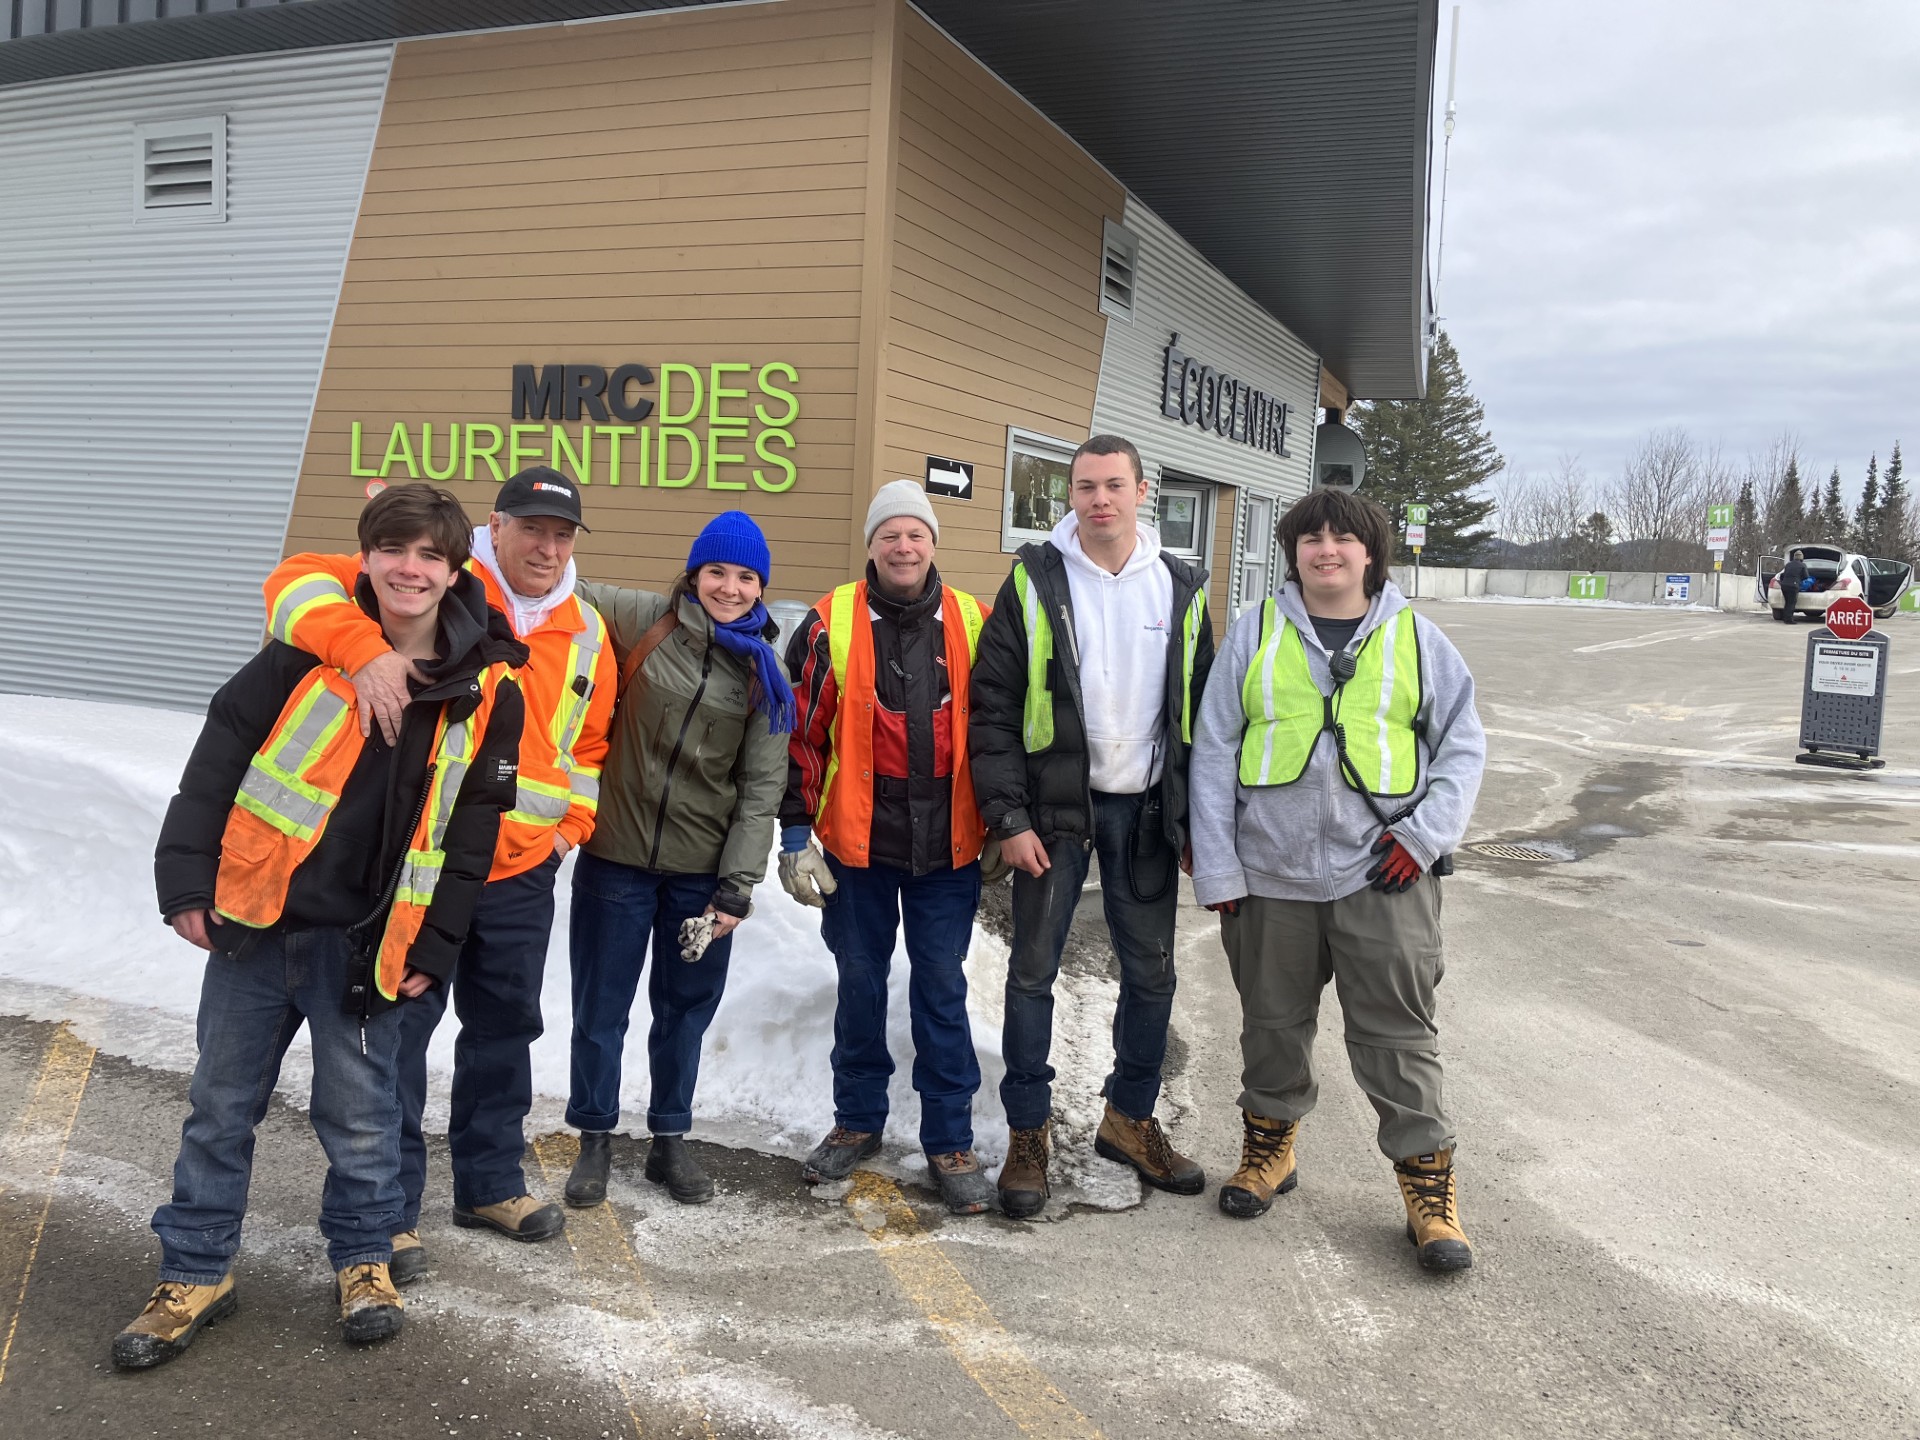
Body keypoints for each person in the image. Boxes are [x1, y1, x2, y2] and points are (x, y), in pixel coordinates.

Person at [125, 484, 526, 1369]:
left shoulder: (491, 687)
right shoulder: (307, 646)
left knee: (362, 1120)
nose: (409, 568)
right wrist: (186, 878)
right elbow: (221, 754)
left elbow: (473, 832)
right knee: (219, 1111)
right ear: (367, 558)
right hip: (259, 928)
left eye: (429, 555)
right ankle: (194, 1271)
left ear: (456, 569)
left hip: (368, 946)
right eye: (394, 549)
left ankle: (364, 1260)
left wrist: (438, 946)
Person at [262, 466, 615, 1268]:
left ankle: (490, 1182)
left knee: (504, 1031)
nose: (547, 547)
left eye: (561, 536)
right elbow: (292, 583)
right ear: (496, 526)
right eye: (532, 529)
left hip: (522, 873)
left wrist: (571, 830)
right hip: (421, 860)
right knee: (395, 1034)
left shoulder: (588, 631)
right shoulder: (439, 581)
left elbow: (587, 750)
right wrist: (360, 648)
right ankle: (386, 1209)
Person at [1187, 487, 1485, 1272]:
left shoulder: (1418, 640)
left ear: (1369, 554)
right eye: (1311, 538)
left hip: (1383, 877)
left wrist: (1423, 838)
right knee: (1271, 1027)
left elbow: (1462, 747)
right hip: (1270, 878)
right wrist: (1218, 862)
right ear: (1293, 553)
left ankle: (1429, 1193)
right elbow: (1214, 752)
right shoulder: (1252, 634)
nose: (1326, 550)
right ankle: (1268, 1153)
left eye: (1342, 539)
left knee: (1397, 1037)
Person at [969, 434, 1214, 1218]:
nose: (1099, 499)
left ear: (1144, 492)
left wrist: (1194, 822)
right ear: (1068, 496)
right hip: (1055, 813)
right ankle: (1027, 1133)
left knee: (1152, 976)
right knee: (1032, 973)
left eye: (1114, 485)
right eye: (1085, 487)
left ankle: (1128, 1119)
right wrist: (1008, 816)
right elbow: (993, 708)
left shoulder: (1181, 588)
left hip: (1144, 813)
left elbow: (1203, 716)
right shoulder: (1035, 583)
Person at [779, 480, 1002, 1213]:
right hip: (857, 849)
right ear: (870, 544)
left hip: (949, 849)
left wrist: (1006, 819)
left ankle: (949, 1138)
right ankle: (856, 1122)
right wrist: (792, 836)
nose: (903, 547)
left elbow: (1002, 730)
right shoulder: (826, 623)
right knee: (861, 984)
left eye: (916, 534)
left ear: (933, 543)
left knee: (942, 988)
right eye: (890, 535)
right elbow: (799, 740)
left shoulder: (974, 620)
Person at [562, 511, 791, 1208]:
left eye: (746, 577)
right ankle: (594, 1137)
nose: (729, 587)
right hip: (615, 862)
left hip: (700, 878)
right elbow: (556, 586)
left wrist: (736, 889)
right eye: (717, 571)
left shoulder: (765, 674)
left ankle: (669, 1140)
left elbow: (760, 791)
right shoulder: (644, 620)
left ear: (760, 587)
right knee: (600, 1009)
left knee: (683, 1011)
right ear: (694, 573)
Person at [1778, 548, 1808, 622]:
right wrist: (1799, 580)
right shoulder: (1802, 565)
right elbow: (1806, 576)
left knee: (1787, 602)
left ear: (1794, 557)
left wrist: (1783, 581)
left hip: (1784, 585)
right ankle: (1789, 620)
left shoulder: (1788, 564)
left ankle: (1785, 618)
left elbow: (1782, 575)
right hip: (1793, 585)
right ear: (1801, 558)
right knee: (1791, 603)